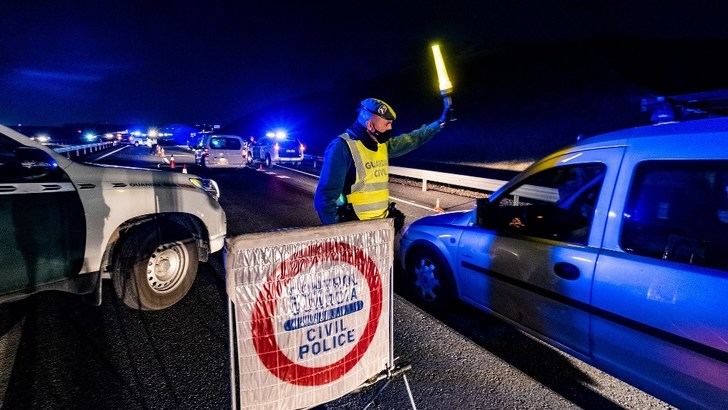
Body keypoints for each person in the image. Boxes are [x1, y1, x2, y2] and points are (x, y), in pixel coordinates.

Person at [314, 97, 454, 232]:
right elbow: (325, 197)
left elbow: (412, 139)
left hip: (381, 229)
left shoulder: (382, 145)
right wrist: (339, 233)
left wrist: (440, 123)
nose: (390, 128)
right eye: (387, 124)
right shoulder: (341, 147)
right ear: (370, 125)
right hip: (354, 231)